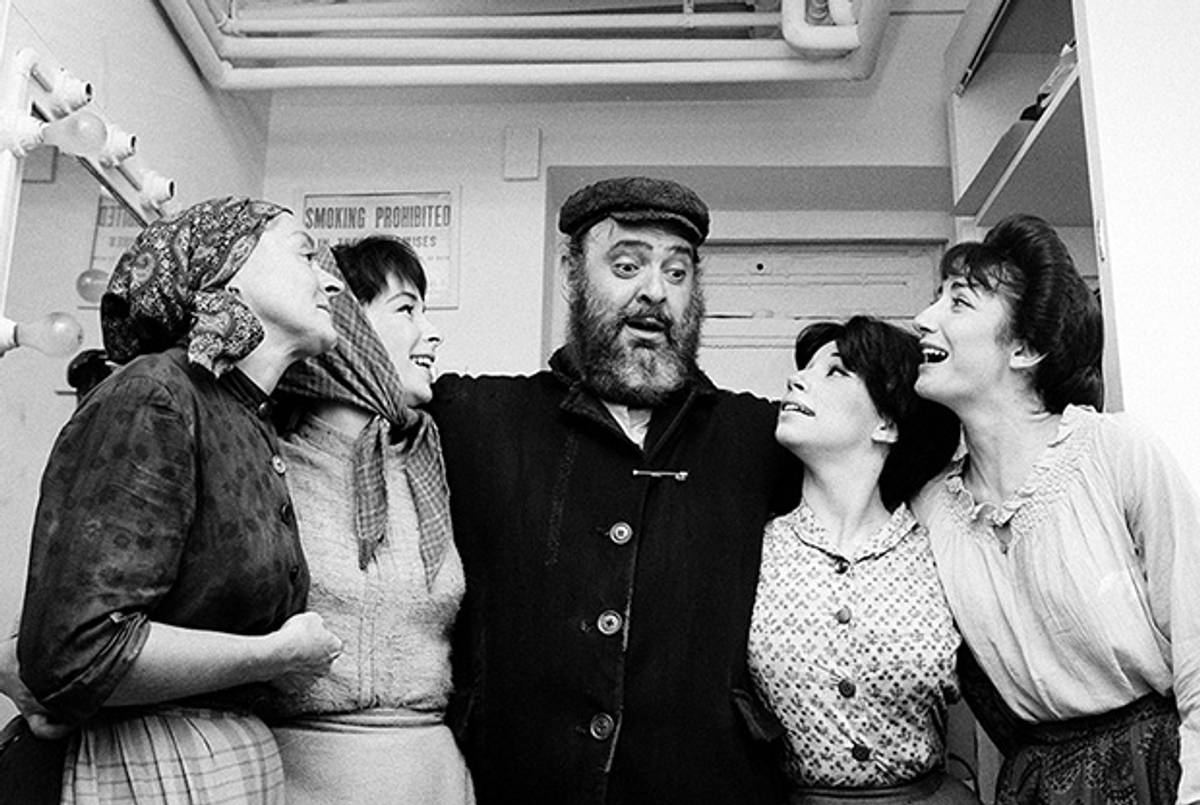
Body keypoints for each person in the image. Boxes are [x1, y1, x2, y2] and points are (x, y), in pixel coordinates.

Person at [428, 176, 804, 804]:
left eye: (677, 274)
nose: (655, 292)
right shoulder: (478, 418)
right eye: (627, 265)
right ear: (572, 276)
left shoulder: (760, 437)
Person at [7, 197, 345, 803]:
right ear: (225, 270)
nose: (331, 281)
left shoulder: (241, 414)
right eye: (305, 251)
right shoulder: (156, 396)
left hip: (216, 759)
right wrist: (278, 654)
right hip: (152, 763)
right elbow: (82, 652)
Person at [911, 214, 1199, 804]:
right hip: (1035, 784)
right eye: (935, 298)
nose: (923, 319)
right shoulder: (933, 510)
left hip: (1160, 773)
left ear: (1026, 348)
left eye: (958, 303)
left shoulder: (1116, 453)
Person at [267, 236, 473, 804]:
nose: (430, 333)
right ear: (346, 325)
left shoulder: (431, 469)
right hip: (303, 777)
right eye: (407, 309)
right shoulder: (267, 464)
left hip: (432, 777)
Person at [747, 316, 971, 803]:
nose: (797, 379)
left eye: (835, 371)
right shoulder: (754, 551)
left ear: (886, 423)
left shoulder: (939, 545)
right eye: (804, 368)